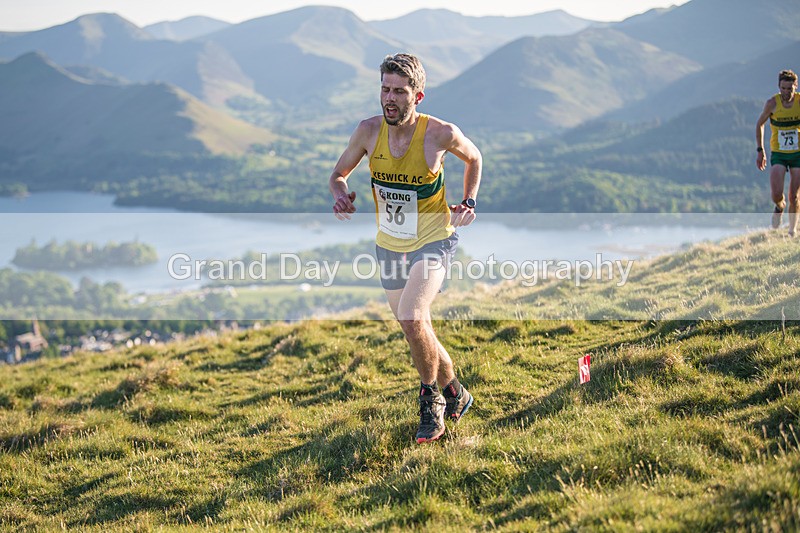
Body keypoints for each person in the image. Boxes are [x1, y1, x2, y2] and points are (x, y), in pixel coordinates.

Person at [328, 53, 482, 443]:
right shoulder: (367, 131)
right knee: (416, 325)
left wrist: (469, 201)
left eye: (399, 91)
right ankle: (456, 393)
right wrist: (342, 195)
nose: (389, 98)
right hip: (389, 244)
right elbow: (338, 175)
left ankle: (431, 403)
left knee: (414, 316)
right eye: (384, 89)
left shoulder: (439, 133)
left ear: (418, 96)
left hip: (434, 238)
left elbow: (474, 157)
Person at [756, 69, 800, 236]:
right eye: (783, 88)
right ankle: (779, 206)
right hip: (779, 153)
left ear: (795, 87)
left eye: (790, 89)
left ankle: (792, 230)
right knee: (776, 193)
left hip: (798, 153)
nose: (786, 93)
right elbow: (759, 124)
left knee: (794, 195)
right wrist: (760, 150)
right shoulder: (772, 104)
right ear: (779, 87)